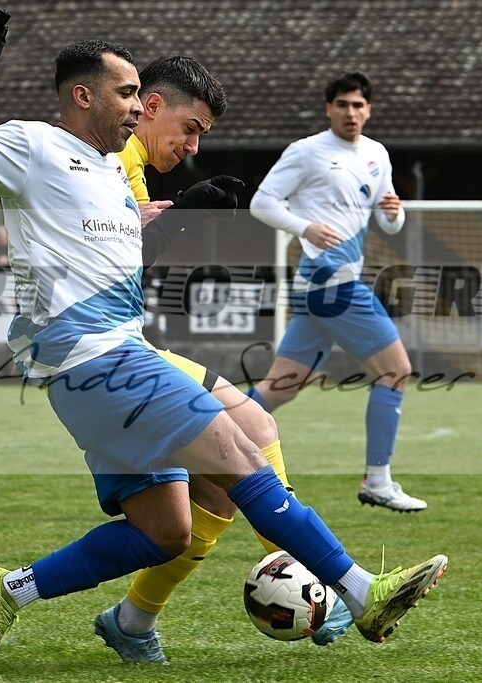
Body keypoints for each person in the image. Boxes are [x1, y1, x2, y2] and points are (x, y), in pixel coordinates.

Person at [0, 11, 447, 669]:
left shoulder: (107, 173)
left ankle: (9, 588)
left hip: (102, 363)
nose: (137, 107)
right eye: (128, 93)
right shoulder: (33, 145)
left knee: (168, 530)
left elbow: (126, 259)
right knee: (243, 450)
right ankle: (361, 591)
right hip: (96, 358)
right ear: (85, 95)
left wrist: (189, 207)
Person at [93, 55, 347, 662]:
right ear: (151, 107)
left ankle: (129, 620)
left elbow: (130, 252)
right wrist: (178, 213)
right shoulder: (108, 162)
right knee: (255, 429)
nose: (192, 145)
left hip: (122, 344)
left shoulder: (128, 167)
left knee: (210, 498)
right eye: (191, 128)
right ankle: (324, 575)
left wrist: (170, 213)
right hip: (101, 351)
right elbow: (113, 261)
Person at [248, 71, 427, 513]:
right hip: (330, 281)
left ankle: (203, 447)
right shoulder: (306, 152)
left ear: (369, 110)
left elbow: (388, 220)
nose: (351, 113)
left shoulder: (376, 154)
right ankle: (378, 480)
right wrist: (303, 226)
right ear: (329, 108)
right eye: (343, 104)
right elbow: (262, 202)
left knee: (281, 387)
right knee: (396, 371)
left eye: (358, 105)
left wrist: (394, 214)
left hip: (327, 284)